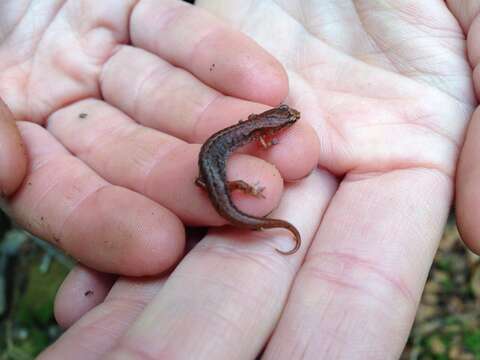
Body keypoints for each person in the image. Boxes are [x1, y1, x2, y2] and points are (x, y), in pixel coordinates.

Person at [0, 0, 478, 358]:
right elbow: (260, 142)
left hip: (208, 175)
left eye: (284, 122)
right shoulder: (262, 134)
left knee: (217, 188)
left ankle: (239, 205)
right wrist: (244, 185)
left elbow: (254, 138)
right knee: (224, 195)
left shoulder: (257, 127)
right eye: (283, 123)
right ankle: (248, 207)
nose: (285, 126)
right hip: (214, 176)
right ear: (272, 126)